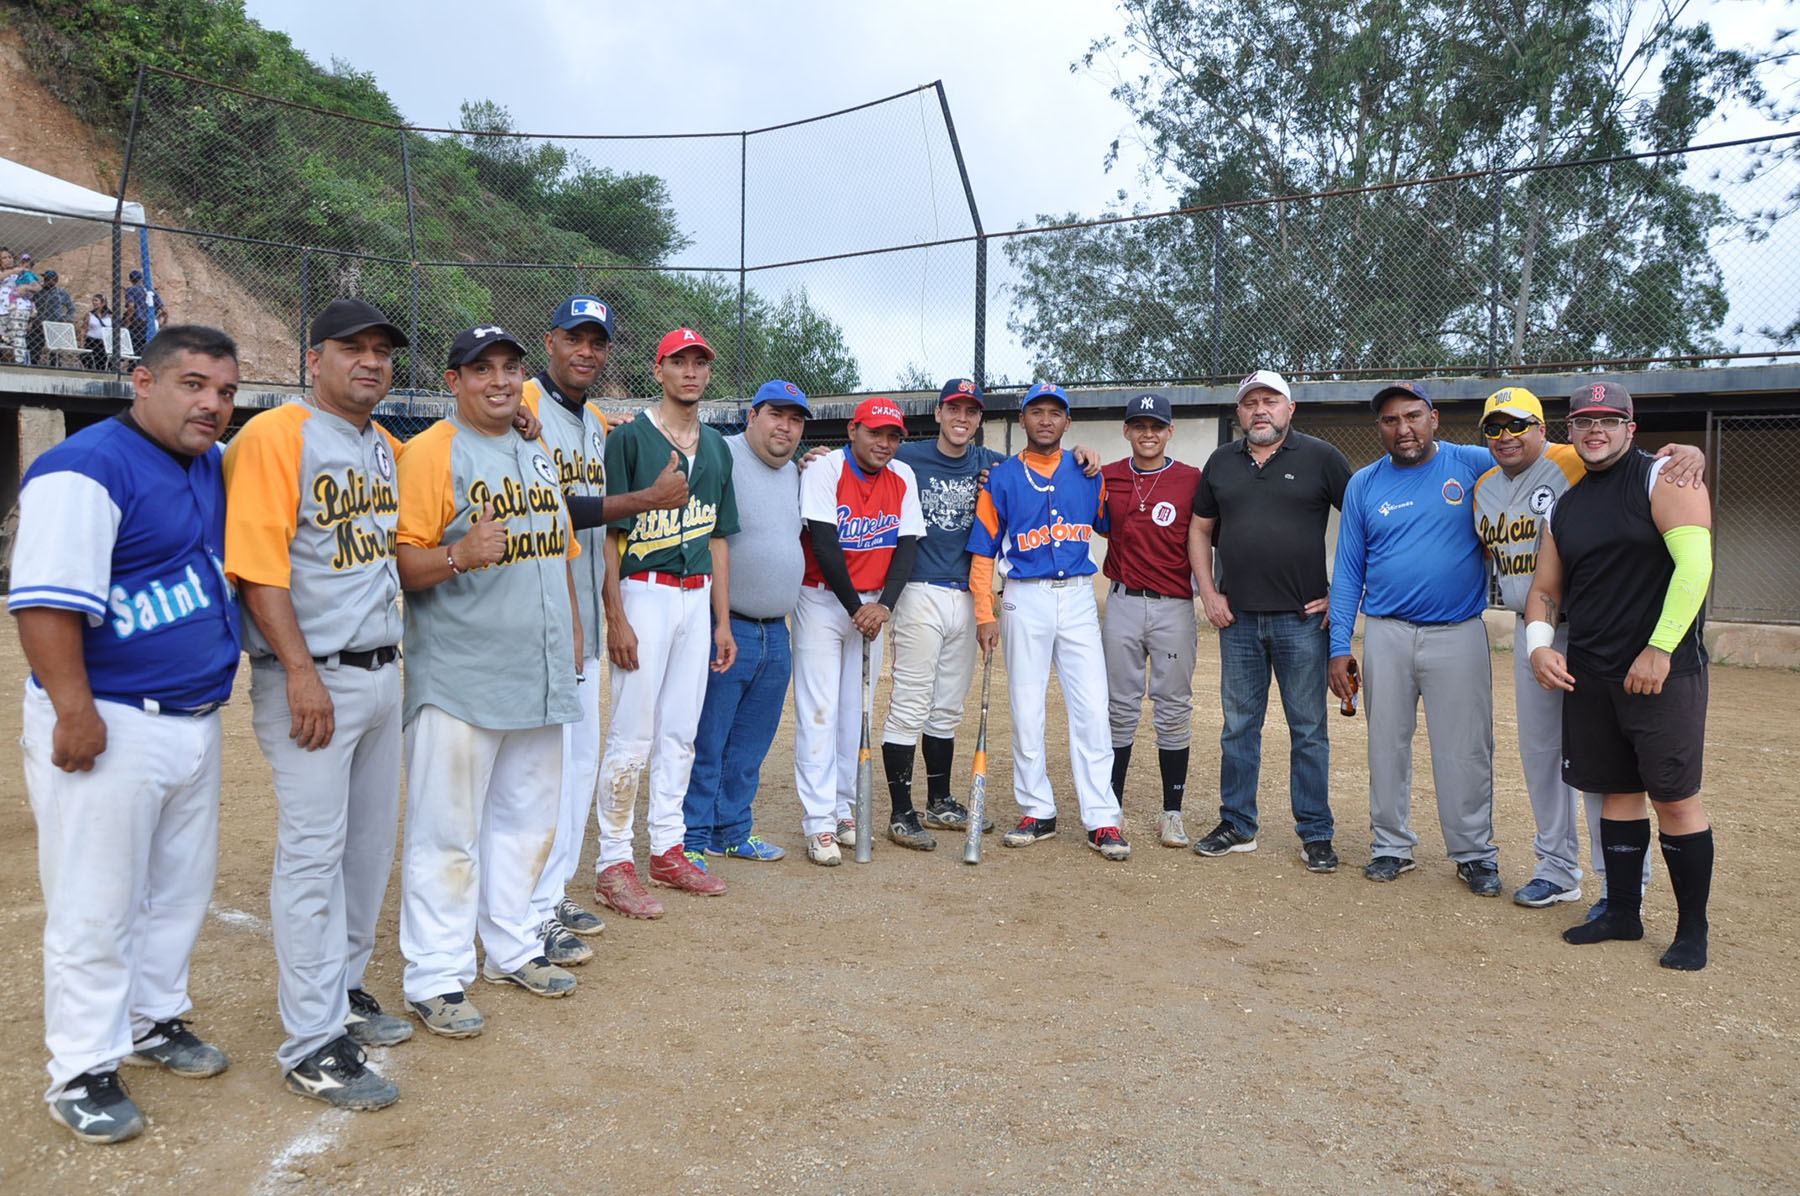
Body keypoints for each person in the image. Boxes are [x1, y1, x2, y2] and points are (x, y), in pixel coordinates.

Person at [11, 325, 242, 1144]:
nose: (211, 402)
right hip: (108, 717)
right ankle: (81, 1066)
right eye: (191, 383)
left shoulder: (208, 462)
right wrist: (74, 710)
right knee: (95, 904)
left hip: (189, 717)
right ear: (140, 381)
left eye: (223, 389)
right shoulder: (85, 467)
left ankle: (152, 1020)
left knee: (177, 892)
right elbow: (43, 603)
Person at [222, 299, 415, 1110]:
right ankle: (310, 1042)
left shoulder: (384, 444)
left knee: (368, 852)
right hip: (314, 680)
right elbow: (259, 569)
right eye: (351, 348)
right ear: (314, 359)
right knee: (312, 854)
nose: (369, 361)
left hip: (381, 672)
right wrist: (297, 670)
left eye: (381, 351)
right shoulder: (275, 436)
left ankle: (340, 989)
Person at [394, 324, 584, 1037]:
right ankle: (437, 974)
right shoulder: (429, 453)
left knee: (526, 822)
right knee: (447, 834)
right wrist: (460, 554)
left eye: (509, 368)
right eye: (482, 370)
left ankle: (512, 946)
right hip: (461, 676)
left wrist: (570, 632)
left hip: (536, 672)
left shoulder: (536, 446)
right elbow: (403, 565)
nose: (499, 380)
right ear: (454, 381)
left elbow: (560, 549)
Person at [1472, 386, 1702, 912]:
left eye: (1518, 425)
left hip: (1599, 631)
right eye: (1493, 427)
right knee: (1541, 756)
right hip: (1537, 633)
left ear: (1546, 429)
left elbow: (1644, 465)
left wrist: (1691, 453)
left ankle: (1623, 883)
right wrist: (1536, 640)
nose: (1505, 436)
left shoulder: (1575, 459)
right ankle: (1557, 869)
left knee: (1606, 766)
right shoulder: (1481, 480)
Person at [519, 296, 688, 965]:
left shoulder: (592, 423)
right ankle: (525, 906)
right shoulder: (519, 404)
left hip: (584, 617)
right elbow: (551, 508)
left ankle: (550, 890)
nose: (586, 351)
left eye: (598, 342)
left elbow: (599, 536)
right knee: (539, 775)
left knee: (577, 766)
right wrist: (644, 499)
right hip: (536, 620)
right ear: (550, 340)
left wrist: (611, 612)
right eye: (575, 339)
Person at [1527, 381, 1716, 970]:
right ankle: (1621, 913)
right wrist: (1538, 647)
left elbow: (1695, 565)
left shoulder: (1666, 479)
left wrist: (1660, 648)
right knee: (1616, 791)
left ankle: (1692, 930)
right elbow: (1544, 590)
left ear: (1631, 428)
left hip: (1664, 672)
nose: (1596, 429)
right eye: (1584, 420)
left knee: (1676, 799)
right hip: (1593, 672)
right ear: (1570, 431)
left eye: (1609, 420)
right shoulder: (1567, 504)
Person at [1327, 382, 1502, 894]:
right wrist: (1341, 646)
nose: (1403, 429)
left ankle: (1474, 853)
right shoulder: (1363, 484)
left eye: (1413, 416)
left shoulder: (1471, 463)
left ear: (1434, 418)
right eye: (1389, 420)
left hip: (1458, 632)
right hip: (1387, 632)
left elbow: (1538, 456)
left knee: (1466, 748)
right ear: (1379, 428)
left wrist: (1664, 455)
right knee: (1386, 745)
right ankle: (1391, 845)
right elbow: (1347, 574)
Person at [594, 327, 739, 916]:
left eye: (700, 362)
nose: (691, 372)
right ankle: (612, 861)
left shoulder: (720, 448)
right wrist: (616, 615)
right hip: (644, 590)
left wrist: (722, 621)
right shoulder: (630, 439)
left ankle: (668, 848)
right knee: (633, 731)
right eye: (679, 361)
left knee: (681, 730)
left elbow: (720, 539)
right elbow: (607, 532)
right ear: (659, 370)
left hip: (695, 596)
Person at [1191, 370, 1350, 872]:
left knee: (1308, 731)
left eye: (1271, 401)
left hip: (1302, 621)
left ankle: (1316, 833)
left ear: (1290, 408)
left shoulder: (1323, 458)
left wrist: (1344, 595)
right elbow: (1199, 530)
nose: (1260, 409)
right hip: (1236, 620)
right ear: (1238, 413)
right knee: (1239, 728)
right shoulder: (1220, 462)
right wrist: (1209, 592)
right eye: (1250, 403)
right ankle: (1237, 824)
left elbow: (1365, 525)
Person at [970, 382, 1129, 861]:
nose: (1045, 420)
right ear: (1022, 421)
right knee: (1026, 707)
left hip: (1079, 598)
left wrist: (1093, 462)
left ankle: (1102, 818)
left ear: (1067, 422)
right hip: (1024, 597)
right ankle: (1037, 809)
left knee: (1091, 708)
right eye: (1035, 412)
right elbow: (982, 552)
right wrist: (984, 612)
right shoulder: (1000, 478)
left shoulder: (1089, 472)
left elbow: (1106, 522)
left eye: (1054, 413)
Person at [793, 396, 924, 860]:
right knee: (820, 710)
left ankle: (843, 807)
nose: (884, 443)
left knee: (856, 712)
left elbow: (906, 547)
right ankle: (817, 822)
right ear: (853, 430)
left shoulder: (902, 476)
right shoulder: (825, 470)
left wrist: (883, 606)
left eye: (892, 436)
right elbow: (826, 545)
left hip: (871, 608)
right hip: (825, 602)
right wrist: (857, 607)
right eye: (876, 433)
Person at [684, 380, 809, 862]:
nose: (786, 427)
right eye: (777, 415)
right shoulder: (722, 453)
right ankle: (691, 838)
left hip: (777, 628)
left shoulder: (798, 472)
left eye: (796, 419)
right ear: (752, 415)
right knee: (708, 738)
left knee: (752, 744)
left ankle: (732, 830)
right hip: (726, 623)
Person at [878, 378, 1004, 848]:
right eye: (954, 408)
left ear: (978, 420)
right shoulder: (908, 456)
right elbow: (858, 459)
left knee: (948, 705)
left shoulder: (990, 463)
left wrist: (1082, 457)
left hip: (969, 597)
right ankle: (899, 811)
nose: (962, 418)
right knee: (911, 700)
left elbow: (1040, 471)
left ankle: (938, 800)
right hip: (919, 590)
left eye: (971, 412)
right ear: (938, 413)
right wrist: (813, 458)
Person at [1098, 391, 1204, 848]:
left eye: (1156, 426)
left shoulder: (1191, 480)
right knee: (1119, 707)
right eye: (1139, 425)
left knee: (1173, 707)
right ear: (1126, 430)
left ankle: (1172, 812)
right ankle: (1111, 806)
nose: (1148, 433)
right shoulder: (1105, 477)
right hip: (1122, 600)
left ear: (1169, 432)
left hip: (1174, 604)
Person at [29, 269, 76, 364]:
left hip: (55, 326)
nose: (46, 281)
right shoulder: (38, 291)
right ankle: (32, 367)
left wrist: (64, 318)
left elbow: (72, 309)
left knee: (56, 353)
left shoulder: (62, 293)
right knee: (34, 350)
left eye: (48, 279)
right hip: (39, 324)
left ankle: (54, 368)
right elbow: (29, 302)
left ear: (55, 281)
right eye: (45, 279)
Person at [83, 294, 114, 370]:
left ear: (103, 303)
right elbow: (84, 328)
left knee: (104, 363)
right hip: (92, 341)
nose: (94, 302)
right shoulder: (89, 315)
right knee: (91, 362)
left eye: (96, 300)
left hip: (105, 343)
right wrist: (82, 342)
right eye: (93, 300)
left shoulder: (110, 316)